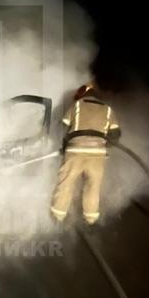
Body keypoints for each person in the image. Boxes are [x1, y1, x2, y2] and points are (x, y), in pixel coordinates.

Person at [50, 83, 121, 225]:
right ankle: (91, 219)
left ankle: (58, 216)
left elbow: (61, 130)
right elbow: (115, 136)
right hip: (97, 155)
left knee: (66, 183)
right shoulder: (108, 110)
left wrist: (63, 146)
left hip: (75, 152)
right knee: (93, 186)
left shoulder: (76, 105)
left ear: (82, 94)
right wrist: (103, 144)